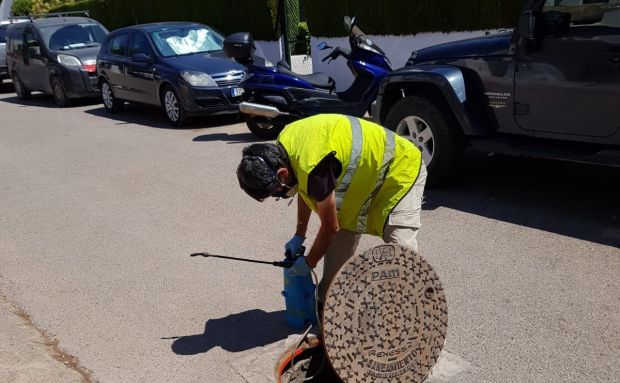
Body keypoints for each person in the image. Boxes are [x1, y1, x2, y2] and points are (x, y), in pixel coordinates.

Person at [236, 114, 426, 302]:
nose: (278, 195)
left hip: (399, 170)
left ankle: (412, 306)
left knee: (401, 250)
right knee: (332, 278)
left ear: (282, 174)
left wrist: (309, 263)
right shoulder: (284, 148)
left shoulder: (313, 167)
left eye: (275, 191)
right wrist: (299, 235)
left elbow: (329, 228)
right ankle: (329, 305)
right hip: (365, 180)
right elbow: (304, 188)